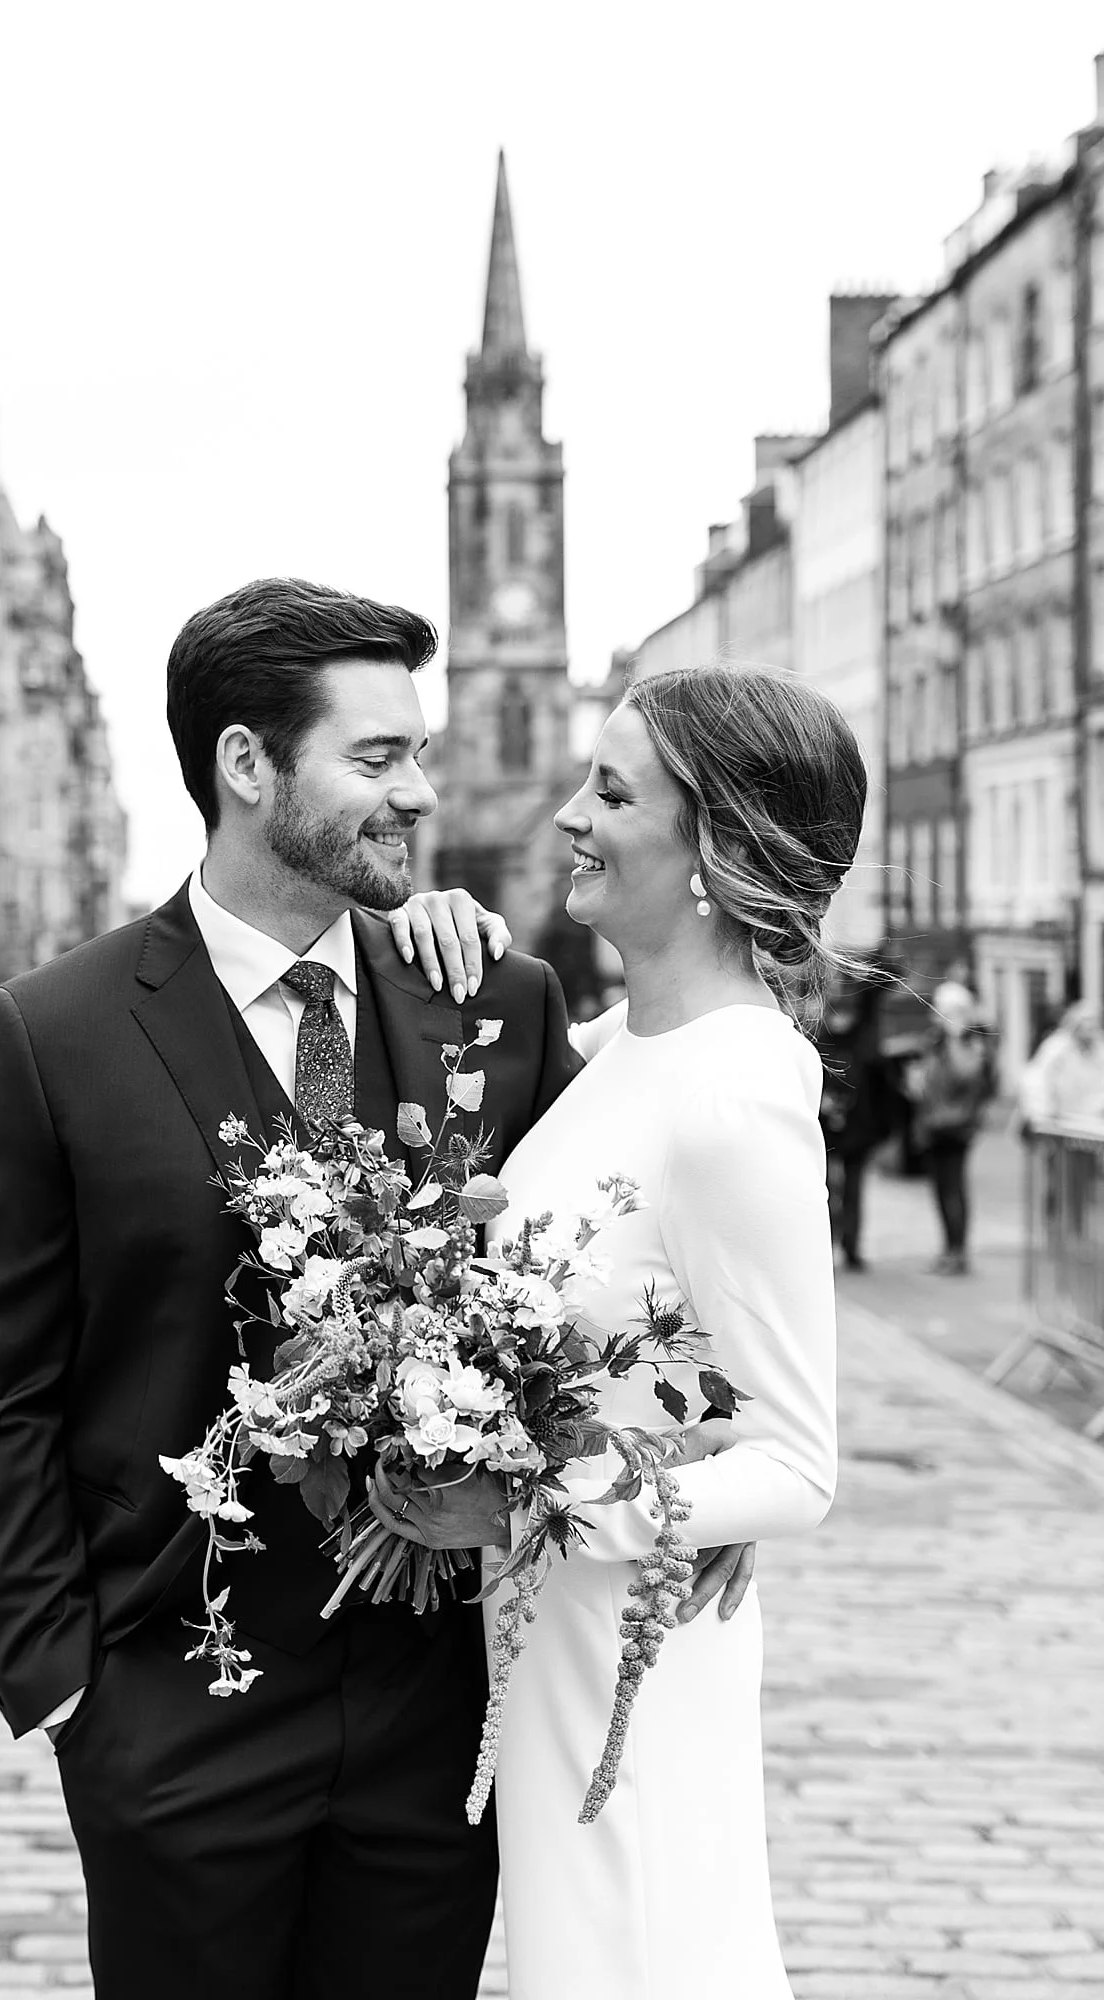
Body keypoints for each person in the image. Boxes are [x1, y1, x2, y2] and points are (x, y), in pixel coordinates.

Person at [0, 578, 751, 2000]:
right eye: (377, 759)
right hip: (178, 1705)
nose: (418, 793)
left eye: (417, 754)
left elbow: (614, 1273)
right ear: (247, 767)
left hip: (438, 1729)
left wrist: (685, 1468)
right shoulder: (48, 1039)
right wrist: (62, 1682)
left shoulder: (491, 1004)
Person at [383, 660, 862, 1998]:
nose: (566, 820)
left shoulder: (734, 1097)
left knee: (640, 1954)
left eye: (609, 793)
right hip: (550, 1649)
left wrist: (525, 1506)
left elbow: (795, 1462)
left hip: (630, 1666)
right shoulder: (619, 1047)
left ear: (711, 844)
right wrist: (432, 930)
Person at [909, 980, 998, 1275]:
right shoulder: (934, 1041)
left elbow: (966, 1074)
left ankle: (958, 1252)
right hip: (933, 1125)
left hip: (957, 1128)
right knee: (940, 1190)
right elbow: (923, 1084)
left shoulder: (969, 1041)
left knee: (953, 1189)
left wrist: (954, 1038)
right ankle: (948, 1248)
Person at [816, 975, 893, 1270]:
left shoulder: (862, 1041)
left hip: (858, 1129)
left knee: (853, 1191)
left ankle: (851, 1246)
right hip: (825, 1130)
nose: (841, 1020)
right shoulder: (818, 1043)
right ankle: (828, 1244)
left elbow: (876, 996)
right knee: (825, 1191)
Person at [1017, 1000, 1104, 1131]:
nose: (1090, 1028)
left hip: (1090, 1124)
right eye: (1085, 1023)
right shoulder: (1056, 1048)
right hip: (1058, 1122)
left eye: (1093, 1023)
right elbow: (1035, 1078)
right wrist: (1040, 1111)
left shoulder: (1099, 1050)